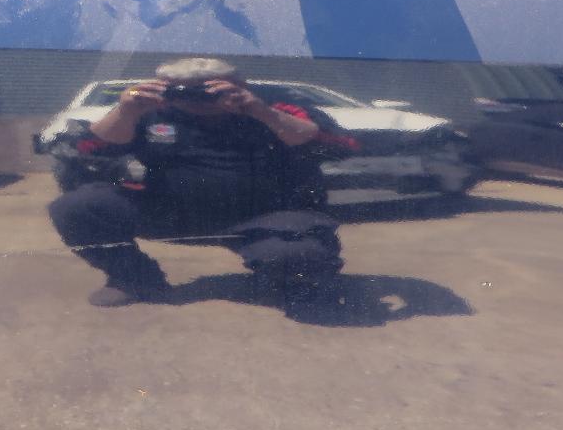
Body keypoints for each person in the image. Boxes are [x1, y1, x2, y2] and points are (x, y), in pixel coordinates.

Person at [47, 58, 344, 307]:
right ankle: (135, 279)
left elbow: (336, 143)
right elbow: (91, 147)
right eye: (183, 91)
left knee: (299, 258)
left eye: (209, 90)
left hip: (264, 216)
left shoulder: (270, 108)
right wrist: (126, 111)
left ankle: (289, 280)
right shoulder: (150, 113)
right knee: (76, 207)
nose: (197, 100)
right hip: (173, 213)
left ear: (239, 85)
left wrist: (259, 111)